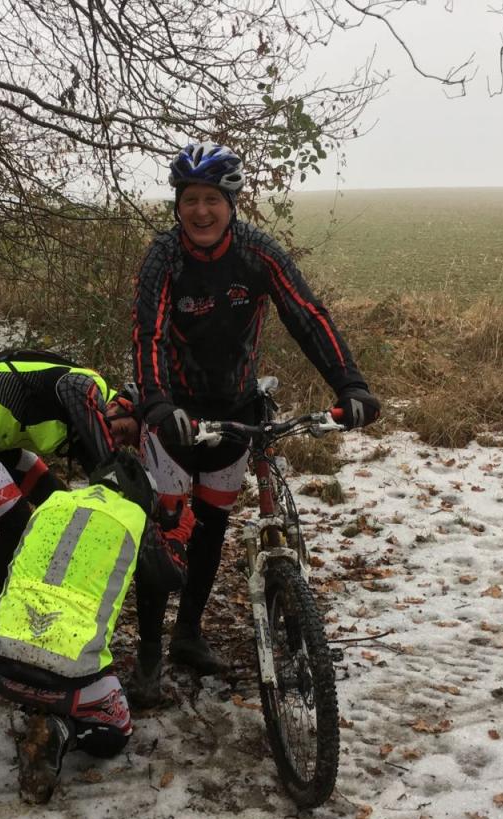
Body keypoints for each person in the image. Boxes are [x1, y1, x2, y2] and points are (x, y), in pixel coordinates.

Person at [129, 141, 381, 704]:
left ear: (232, 202)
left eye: (211, 200)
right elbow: (147, 333)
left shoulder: (258, 253)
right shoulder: (163, 258)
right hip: (173, 417)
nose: (200, 211)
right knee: (166, 537)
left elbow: (308, 315)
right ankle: (148, 654)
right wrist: (155, 402)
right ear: (178, 203)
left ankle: (189, 635)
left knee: (213, 530)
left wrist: (350, 383)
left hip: (237, 413)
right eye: (190, 199)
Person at [0, 450, 190, 803]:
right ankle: (61, 731)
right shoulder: (133, 517)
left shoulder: (53, 503)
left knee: (37, 660)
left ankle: (36, 706)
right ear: (141, 496)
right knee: (116, 733)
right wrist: (177, 535)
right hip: (66, 673)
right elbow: (170, 577)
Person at [0, 351, 140, 607]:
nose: (118, 440)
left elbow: (102, 484)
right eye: (122, 431)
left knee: (57, 502)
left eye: (126, 442)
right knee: (16, 520)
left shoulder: (93, 420)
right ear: (114, 406)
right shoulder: (85, 388)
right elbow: (104, 462)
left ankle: (36, 593)